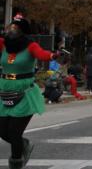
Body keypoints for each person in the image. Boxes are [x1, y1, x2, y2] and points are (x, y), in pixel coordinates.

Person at [0, 14, 59, 169]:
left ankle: (16, 164)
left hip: (24, 92)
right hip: (5, 91)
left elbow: (42, 54)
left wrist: (53, 55)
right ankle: (23, 143)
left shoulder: (30, 46)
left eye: (16, 28)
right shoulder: (3, 44)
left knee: (13, 132)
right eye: (11, 27)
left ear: (22, 31)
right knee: (2, 130)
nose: (12, 30)